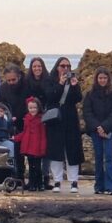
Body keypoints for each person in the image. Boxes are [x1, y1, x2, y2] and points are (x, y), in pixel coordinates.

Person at [45, 56, 85, 193]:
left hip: (70, 119)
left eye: (68, 66)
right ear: (57, 67)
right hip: (56, 120)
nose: (65, 68)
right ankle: (57, 181)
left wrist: (74, 86)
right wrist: (60, 84)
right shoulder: (50, 80)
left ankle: (74, 181)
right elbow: (50, 97)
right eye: (63, 66)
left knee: (72, 150)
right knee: (56, 151)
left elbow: (78, 98)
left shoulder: (72, 81)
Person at [82, 68, 112, 194]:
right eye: (100, 78)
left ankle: (111, 187)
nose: (102, 80)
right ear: (96, 79)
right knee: (98, 158)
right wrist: (97, 127)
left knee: (108, 157)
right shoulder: (90, 94)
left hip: (109, 129)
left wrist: (105, 127)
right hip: (95, 130)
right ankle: (99, 186)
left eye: (104, 78)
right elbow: (87, 112)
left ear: (108, 79)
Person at [12, 97, 46, 191]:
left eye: (34, 108)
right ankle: (32, 184)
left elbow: (43, 135)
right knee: (31, 166)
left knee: (38, 167)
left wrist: (43, 147)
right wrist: (16, 138)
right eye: (31, 108)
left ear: (38, 108)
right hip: (29, 146)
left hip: (37, 146)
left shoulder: (41, 119)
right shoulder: (26, 118)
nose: (33, 110)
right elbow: (25, 132)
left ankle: (39, 183)